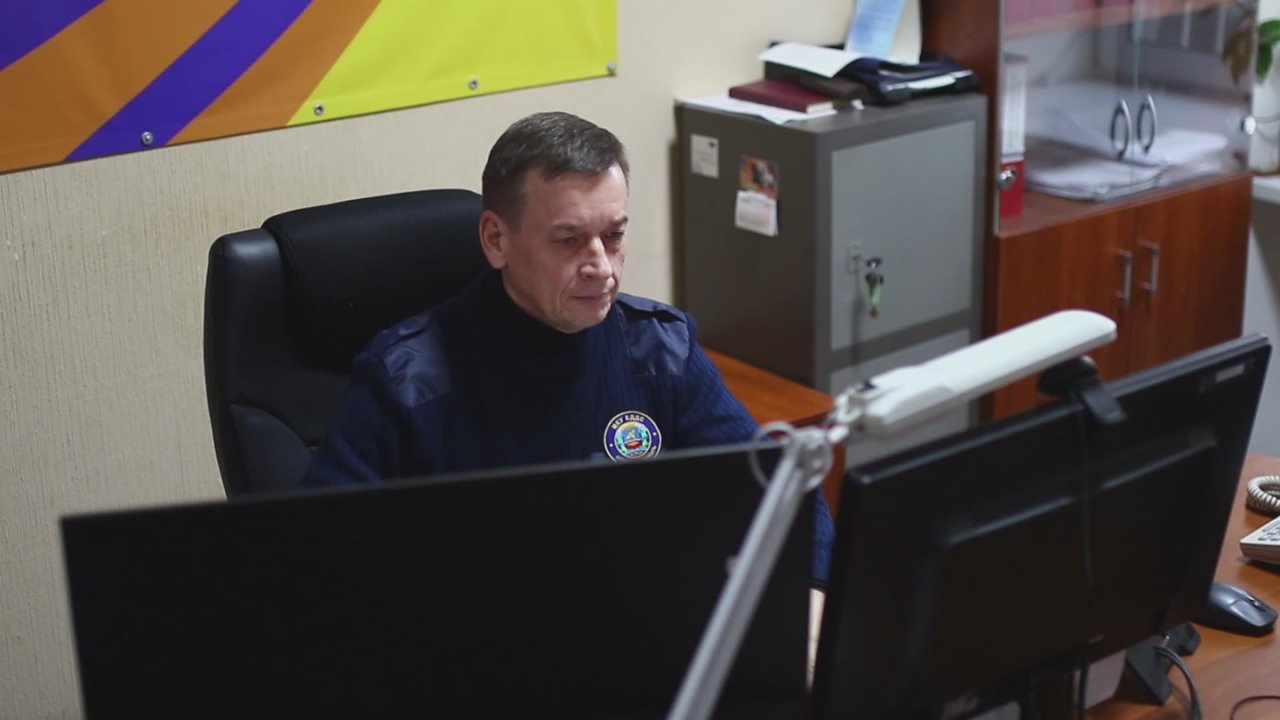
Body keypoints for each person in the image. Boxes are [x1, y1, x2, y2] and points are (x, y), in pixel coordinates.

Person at [303, 111, 833, 584]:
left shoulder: (661, 350)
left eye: (614, 236)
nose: (601, 266)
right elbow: (319, 561)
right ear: (495, 240)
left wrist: (814, 597)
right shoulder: (406, 381)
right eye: (569, 240)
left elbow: (775, 492)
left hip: (632, 623)